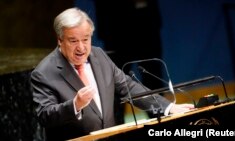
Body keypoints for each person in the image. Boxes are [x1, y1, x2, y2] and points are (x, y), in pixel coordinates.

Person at [30, 7, 194, 141]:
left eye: (86, 39)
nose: (81, 47)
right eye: (73, 41)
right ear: (60, 39)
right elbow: (45, 116)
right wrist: (75, 105)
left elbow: (128, 87)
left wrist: (168, 107)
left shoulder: (99, 55)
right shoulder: (44, 73)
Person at [93, 0, 164, 90]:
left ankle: (158, 104)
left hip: (147, 24)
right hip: (115, 26)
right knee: (116, 80)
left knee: (153, 76)